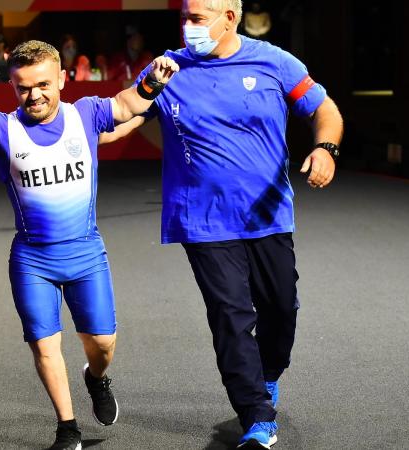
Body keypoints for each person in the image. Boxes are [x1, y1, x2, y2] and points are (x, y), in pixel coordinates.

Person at [0, 40, 178, 450]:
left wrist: (152, 83)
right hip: (33, 259)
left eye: (43, 85)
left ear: (62, 79)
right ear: (13, 87)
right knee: (45, 345)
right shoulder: (4, 128)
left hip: (87, 253)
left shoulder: (86, 112)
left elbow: (126, 106)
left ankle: (96, 378)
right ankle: (67, 428)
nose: (34, 95)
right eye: (23, 88)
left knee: (103, 344)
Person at [101, 0, 343, 448]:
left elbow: (325, 109)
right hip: (202, 219)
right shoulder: (167, 69)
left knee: (281, 309)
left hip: (267, 214)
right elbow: (115, 124)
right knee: (231, 316)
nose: (187, 26)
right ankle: (256, 416)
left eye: (197, 18)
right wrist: (62, 128)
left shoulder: (274, 62)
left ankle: (266, 376)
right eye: (184, 17)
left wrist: (325, 148)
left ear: (229, 18)